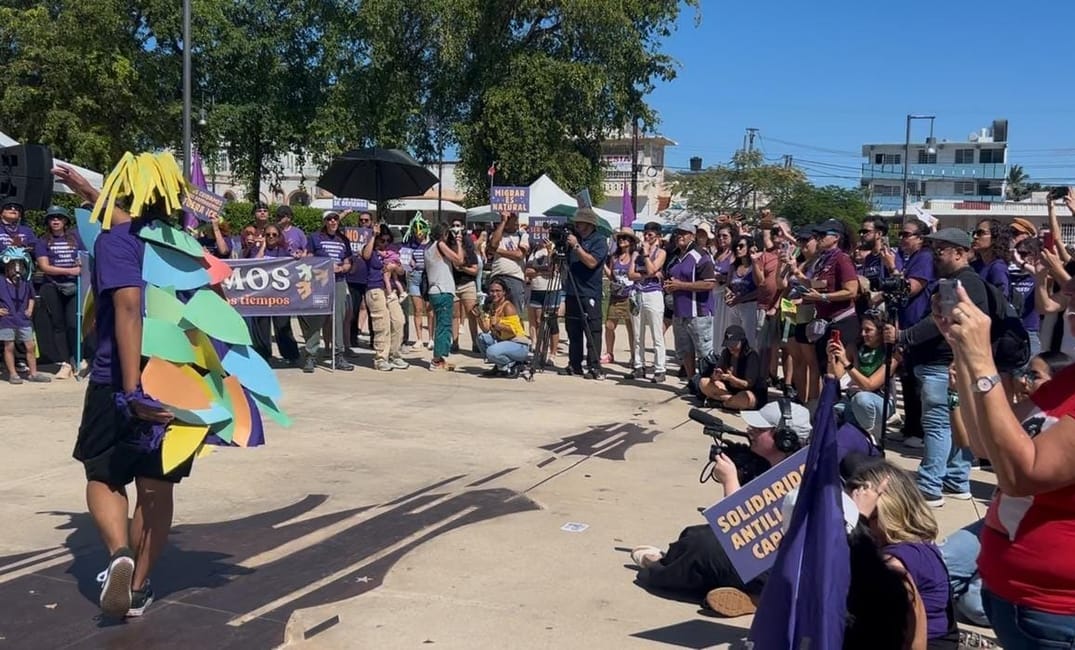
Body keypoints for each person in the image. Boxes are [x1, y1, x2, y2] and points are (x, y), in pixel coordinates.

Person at [55, 159, 190, 619]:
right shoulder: (181, 243)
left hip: (119, 379)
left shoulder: (117, 242)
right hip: (178, 380)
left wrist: (133, 390)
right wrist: (86, 191)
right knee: (157, 487)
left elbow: (129, 307)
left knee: (104, 475)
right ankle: (137, 587)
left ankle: (118, 554)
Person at [941, 282, 1075, 648]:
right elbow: (986, 443)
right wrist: (965, 355)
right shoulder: (1065, 382)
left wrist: (983, 358)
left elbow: (1019, 475)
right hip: (1015, 595)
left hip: (1055, 611)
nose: (1069, 297)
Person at [630, 400, 812, 615]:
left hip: (783, 570)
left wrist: (730, 480)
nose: (749, 431)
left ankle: (657, 568)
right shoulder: (797, 464)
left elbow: (739, 528)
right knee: (696, 534)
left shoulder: (800, 478)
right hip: (777, 565)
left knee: (702, 548)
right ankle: (756, 598)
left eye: (759, 429)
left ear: (785, 438)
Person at [891, 228, 991, 508]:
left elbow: (939, 322)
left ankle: (929, 485)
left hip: (943, 365)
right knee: (956, 424)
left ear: (959, 253)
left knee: (937, 426)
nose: (936, 255)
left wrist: (903, 336)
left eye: (942, 249)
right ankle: (956, 480)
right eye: (934, 248)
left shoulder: (959, 283)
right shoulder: (958, 281)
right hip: (954, 364)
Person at [846, 461, 955, 647]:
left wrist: (858, 522)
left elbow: (914, 628)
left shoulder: (894, 562)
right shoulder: (919, 545)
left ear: (885, 512)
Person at [881, 218, 935, 449]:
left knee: (916, 381)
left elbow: (911, 288)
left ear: (921, 238)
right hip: (903, 324)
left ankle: (919, 431)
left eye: (907, 235)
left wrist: (893, 267)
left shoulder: (924, 257)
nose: (902, 239)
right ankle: (910, 426)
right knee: (907, 377)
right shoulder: (910, 258)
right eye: (900, 234)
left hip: (917, 324)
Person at [800, 220, 860, 381]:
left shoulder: (842, 259)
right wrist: (800, 278)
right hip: (825, 321)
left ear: (836, 238)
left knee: (835, 372)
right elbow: (822, 284)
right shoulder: (824, 259)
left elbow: (851, 290)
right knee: (824, 368)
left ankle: (834, 404)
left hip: (842, 321)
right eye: (817, 235)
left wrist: (822, 297)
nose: (818, 238)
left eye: (822, 234)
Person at [828, 311, 901, 441]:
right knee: (828, 417)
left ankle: (870, 436)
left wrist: (846, 363)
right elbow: (834, 376)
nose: (863, 334)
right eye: (862, 329)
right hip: (851, 399)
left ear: (880, 331)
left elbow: (870, 385)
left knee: (861, 400)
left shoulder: (892, 353)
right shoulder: (855, 347)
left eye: (868, 330)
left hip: (879, 401)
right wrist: (831, 357)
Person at [34, 206, 85, 379]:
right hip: (52, 286)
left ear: (65, 221)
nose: (55, 221)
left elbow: (85, 256)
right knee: (58, 325)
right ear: (48, 222)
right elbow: (44, 267)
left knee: (73, 323)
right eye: (52, 218)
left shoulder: (76, 237)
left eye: (59, 218)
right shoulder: (43, 241)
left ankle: (77, 359)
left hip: (73, 287)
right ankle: (65, 363)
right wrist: (70, 271)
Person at [559, 208, 608, 380]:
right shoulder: (574, 240)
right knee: (573, 329)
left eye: (579, 223)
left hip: (589, 292)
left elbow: (592, 262)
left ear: (589, 224)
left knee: (592, 330)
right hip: (572, 291)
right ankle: (574, 364)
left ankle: (594, 366)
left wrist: (576, 246)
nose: (576, 225)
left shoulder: (599, 241)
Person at [301, 212, 353, 372]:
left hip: (338, 281)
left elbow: (348, 262)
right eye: (329, 219)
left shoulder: (343, 239)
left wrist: (343, 268)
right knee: (317, 318)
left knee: (338, 318)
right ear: (325, 221)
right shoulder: (315, 237)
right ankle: (311, 355)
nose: (333, 221)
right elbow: (309, 258)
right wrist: (325, 267)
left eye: (335, 219)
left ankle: (338, 355)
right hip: (320, 282)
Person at [665, 223, 717, 382]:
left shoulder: (701, 256)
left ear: (693, 236)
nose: (680, 236)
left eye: (684, 233)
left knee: (704, 352)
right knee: (685, 351)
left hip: (699, 313)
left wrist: (681, 285)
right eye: (678, 233)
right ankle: (692, 382)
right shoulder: (674, 258)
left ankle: (708, 386)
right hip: (679, 312)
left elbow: (710, 283)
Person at [245, 225, 301, 367]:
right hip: (261, 296)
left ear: (279, 236)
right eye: (268, 234)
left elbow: (293, 264)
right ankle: (263, 356)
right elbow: (253, 263)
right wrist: (262, 246)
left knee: (283, 326)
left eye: (274, 235)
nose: (271, 237)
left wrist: (297, 257)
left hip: (280, 297)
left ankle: (291, 355)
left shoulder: (283, 251)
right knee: (262, 328)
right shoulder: (257, 250)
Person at [363, 222, 408, 372]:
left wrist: (395, 267)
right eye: (382, 240)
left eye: (388, 240)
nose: (385, 243)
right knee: (382, 324)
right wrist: (373, 236)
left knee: (399, 321)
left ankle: (394, 354)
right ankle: (381, 357)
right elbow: (365, 255)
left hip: (390, 290)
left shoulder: (392, 252)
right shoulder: (371, 250)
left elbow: (402, 271)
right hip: (375, 288)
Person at [1, 247, 50, 383]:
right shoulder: (1, 282)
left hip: (23, 319)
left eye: (20, 265)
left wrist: (30, 309)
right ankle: (13, 374)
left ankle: (33, 373)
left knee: (30, 345)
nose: (16, 269)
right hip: (7, 320)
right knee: (9, 346)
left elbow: (31, 297)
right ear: (7, 266)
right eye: (13, 266)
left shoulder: (26, 282)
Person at [628, 221, 667, 382]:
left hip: (653, 294)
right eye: (645, 234)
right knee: (637, 333)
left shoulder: (660, 253)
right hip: (637, 293)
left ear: (657, 237)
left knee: (656, 333)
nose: (646, 237)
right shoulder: (636, 254)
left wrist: (646, 256)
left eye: (650, 234)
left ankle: (660, 368)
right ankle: (638, 365)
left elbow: (652, 268)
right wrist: (647, 274)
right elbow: (631, 274)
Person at [425, 223, 465, 371]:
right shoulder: (440, 244)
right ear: (444, 234)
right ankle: (436, 360)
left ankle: (440, 358)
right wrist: (459, 243)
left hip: (435, 290)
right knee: (443, 326)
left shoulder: (428, 248)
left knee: (441, 324)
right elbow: (459, 260)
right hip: (442, 290)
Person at [699, 324, 766, 410]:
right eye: (728, 344)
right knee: (703, 382)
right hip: (729, 391)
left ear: (742, 342)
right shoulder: (726, 353)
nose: (731, 347)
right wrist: (716, 376)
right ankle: (730, 402)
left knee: (749, 399)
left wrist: (731, 378)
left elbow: (748, 384)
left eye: (734, 344)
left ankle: (722, 403)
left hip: (747, 392)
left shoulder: (751, 356)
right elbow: (713, 377)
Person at [475, 277, 530, 377]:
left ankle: (513, 364)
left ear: (504, 292)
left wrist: (498, 325)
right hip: (504, 341)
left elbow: (513, 331)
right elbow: (486, 329)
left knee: (491, 351)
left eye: (498, 291)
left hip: (518, 344)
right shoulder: (493, 306)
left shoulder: (508, 307)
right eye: (492, 291)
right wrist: (479, 316)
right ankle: (500, 366)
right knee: (481, 338)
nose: (494, 294)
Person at [603, 228, 638, 366]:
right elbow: (612, 275)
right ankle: (609, 353)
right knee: (609, 325)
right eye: (620, 238)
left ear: (631, 241)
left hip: (630, 295)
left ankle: (634, 356)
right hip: (616, 295)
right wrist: (603, 267)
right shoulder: (614, 257)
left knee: (631, 328)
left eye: (625, 238)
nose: (622, 240)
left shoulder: (635, 257)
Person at [525, 237, 562, 367]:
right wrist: (541, 271)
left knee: (552, 322)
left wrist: (550, 252)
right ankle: (541, 352)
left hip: (551, 289)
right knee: (539, 321)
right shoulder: (534, 251)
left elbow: (553, 270)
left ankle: (553, 353)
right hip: (536, 288)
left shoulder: (554, 250)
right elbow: (528, 271)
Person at [486, 211, 529, 318]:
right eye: (511, 217)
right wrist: (503, 222)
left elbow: (519, 255)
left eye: (515, 217)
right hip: (497, 275)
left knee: (515, 311)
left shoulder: (522, 235)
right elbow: (493, 244)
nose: (514, 220)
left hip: (515, 277)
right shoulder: (497, 233)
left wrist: (498, 251)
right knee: (495, 310)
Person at [450, 219, 481, 353]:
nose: (456, 228)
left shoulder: (468, 244)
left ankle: (475, 343)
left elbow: (474, 269)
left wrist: (462, 268)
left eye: (458, 225)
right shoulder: (448, 243)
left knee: (472, 314)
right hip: (452, 284)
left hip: (467, 283)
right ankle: (455, 343)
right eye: (454, 225)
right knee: (454, 315)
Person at [725, 234, 761, 347]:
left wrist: (741, 299)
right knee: (734, 339)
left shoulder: (755, 266)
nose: (738, 249)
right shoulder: (733, 266)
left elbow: (760, 289)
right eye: (736, 246)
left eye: (741, 246)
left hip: (750, 306)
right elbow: (728, 285)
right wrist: (728, 293)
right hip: (734, 307)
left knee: (749, 340)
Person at [971, 218, 1012, 296]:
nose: (975, 237)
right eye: (974, 233)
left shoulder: (998, 268)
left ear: (994, 238)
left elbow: (1002, 299)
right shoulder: (974, 266)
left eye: (980, 233)